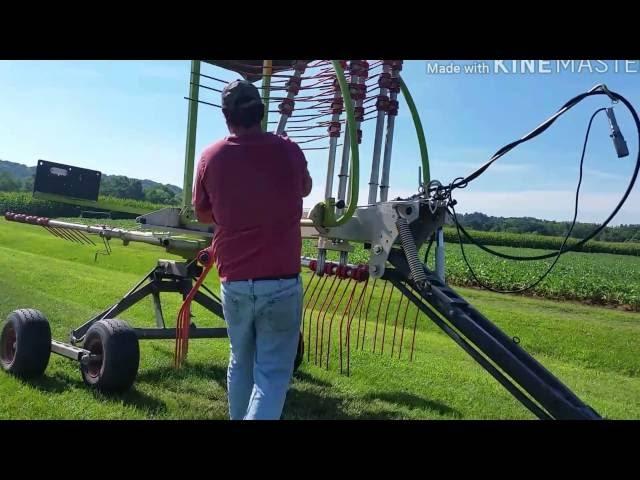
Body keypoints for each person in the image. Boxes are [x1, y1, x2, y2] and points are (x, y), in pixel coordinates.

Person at [192, 79, 313, 420]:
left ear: (226, 116)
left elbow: (202, 212)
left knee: (240, 360)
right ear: (260, 110)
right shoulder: (288, 149)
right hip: (282, 281)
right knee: (272, 374)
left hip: (234, 280)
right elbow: (305, 187)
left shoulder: (210, 157)